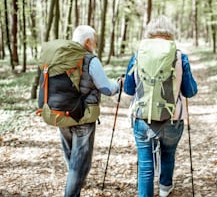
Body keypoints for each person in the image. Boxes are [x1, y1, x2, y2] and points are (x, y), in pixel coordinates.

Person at [39, 25, 121, 197]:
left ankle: (74, 180)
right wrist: (118, 85)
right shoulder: (91, 60)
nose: (95, 45)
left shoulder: (57, 57)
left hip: (60, 114)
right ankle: (72, 190)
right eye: (95, 41)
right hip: (83, 117)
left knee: (71, 156)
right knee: (80, 162)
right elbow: (107, 89)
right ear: (88, 41)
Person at [123, 16, 198, 197]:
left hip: (142, 118)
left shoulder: (138, 54)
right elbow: (190, 91)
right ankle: (165, 189)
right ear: (170, 33)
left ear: (149, 33)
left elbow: (128, 88)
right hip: (172, 118)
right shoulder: (180, 56)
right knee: (168, 154)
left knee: (145, 164)